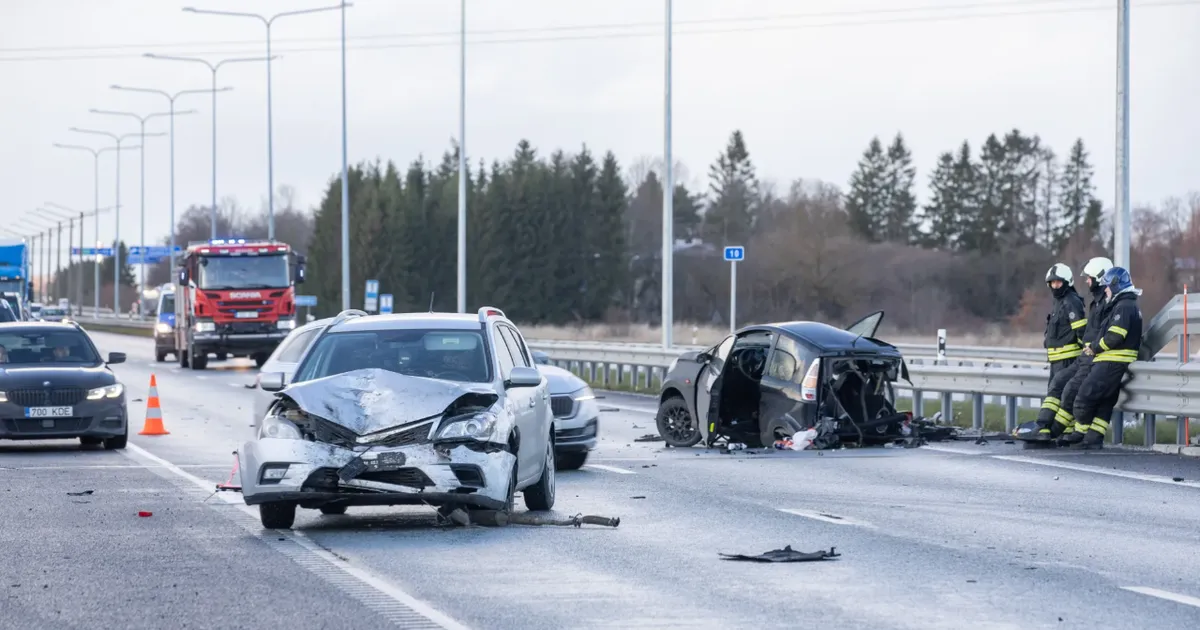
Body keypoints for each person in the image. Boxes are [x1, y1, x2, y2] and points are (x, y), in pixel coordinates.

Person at [1064, 266, 1142, 449]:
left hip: (1111, 361)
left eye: (1107, 286)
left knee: (1084, 396)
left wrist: (1095, 348)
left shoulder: (1124, 306)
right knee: (1104, 402)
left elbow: (1115, 335)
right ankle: (1092, 439)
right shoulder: (1123, 305)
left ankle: (1081, 433)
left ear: (1116, 285)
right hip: (1112, 362)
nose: (1105, 289)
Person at [1050, 256, 1114, 443]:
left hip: (1095, 358)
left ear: (1099, 278)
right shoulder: (1097, 302)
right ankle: (1068, 432)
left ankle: (1067, 433)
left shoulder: (1108, 304)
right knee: (1065, 387)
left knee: (1076, 392)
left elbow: (1097, 333)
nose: (1086, 281)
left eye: (1089, 278)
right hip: (1088, 357)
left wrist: (1090, 351)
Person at [1028, 263, 1086, 440]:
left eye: (1058, 283)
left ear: (1067, 282)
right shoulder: (1059, 302)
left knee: (1057, 394)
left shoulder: (1071, 301)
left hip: (1068, 359)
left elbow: (1081, 331)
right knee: (1058, 396)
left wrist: (1083, 357)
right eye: (1052, 283)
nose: (1055, 286)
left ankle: (1043, 425)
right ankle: (1065, 433)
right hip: (1057, 360)